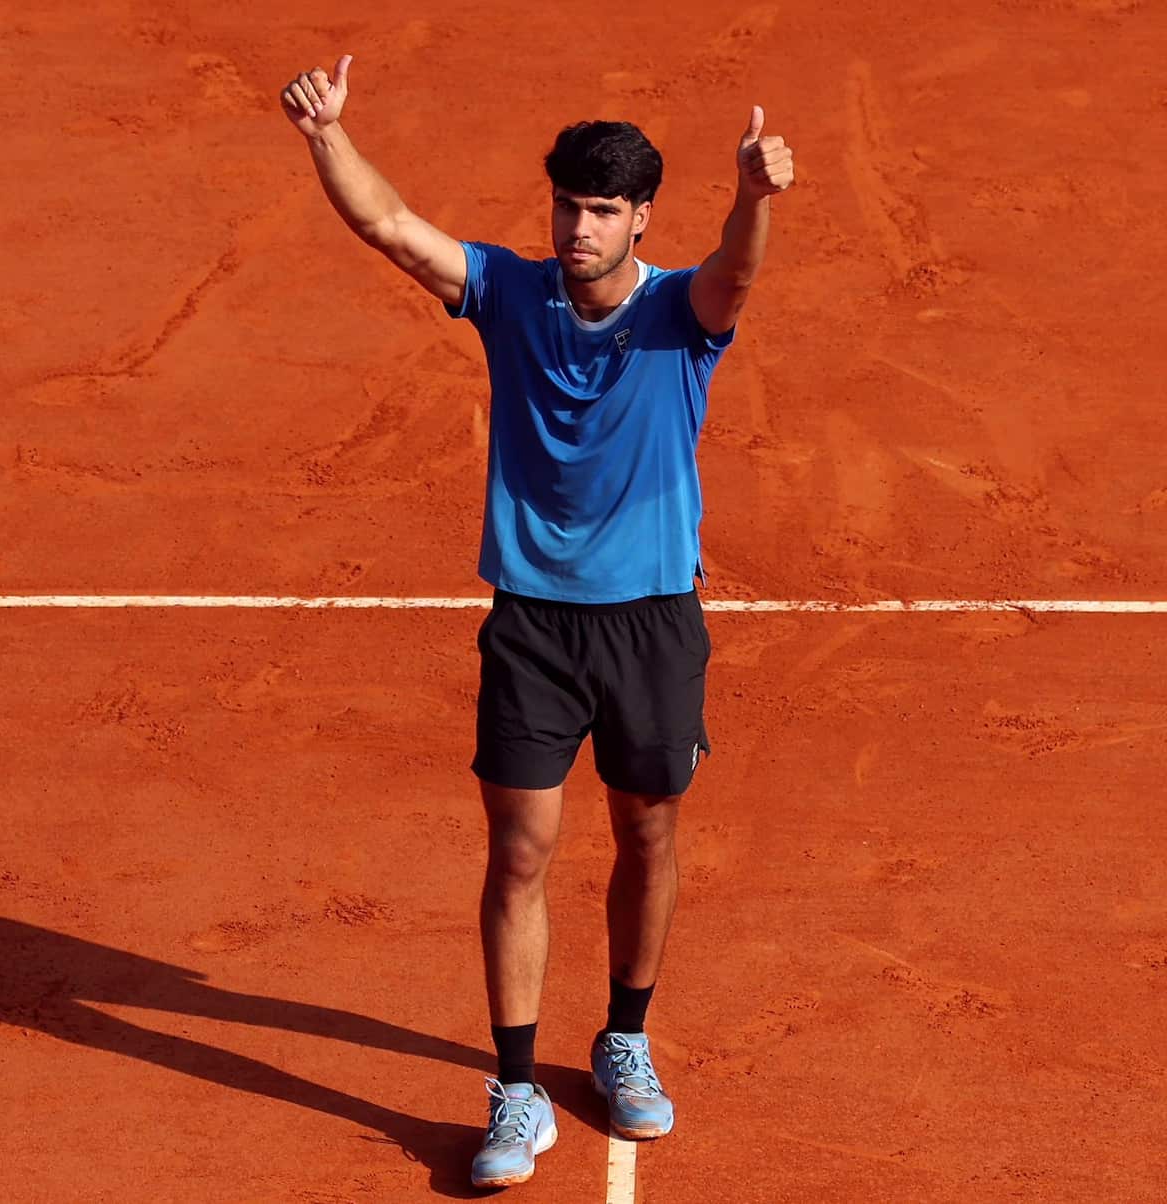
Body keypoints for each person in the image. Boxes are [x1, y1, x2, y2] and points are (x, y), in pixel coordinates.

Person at [281, 53, 794, 1189]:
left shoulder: (679, 313)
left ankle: (623, 1037)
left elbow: (736, 279)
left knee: (648, 833)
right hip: (533, 626)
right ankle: (517, 1086)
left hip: (653, 619)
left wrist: (754, 201)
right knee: (519, 850)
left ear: (639, 218)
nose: (577, 226)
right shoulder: (510, 292)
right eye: (567, 203)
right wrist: (326, 136)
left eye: (602, 210)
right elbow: (396, 229)